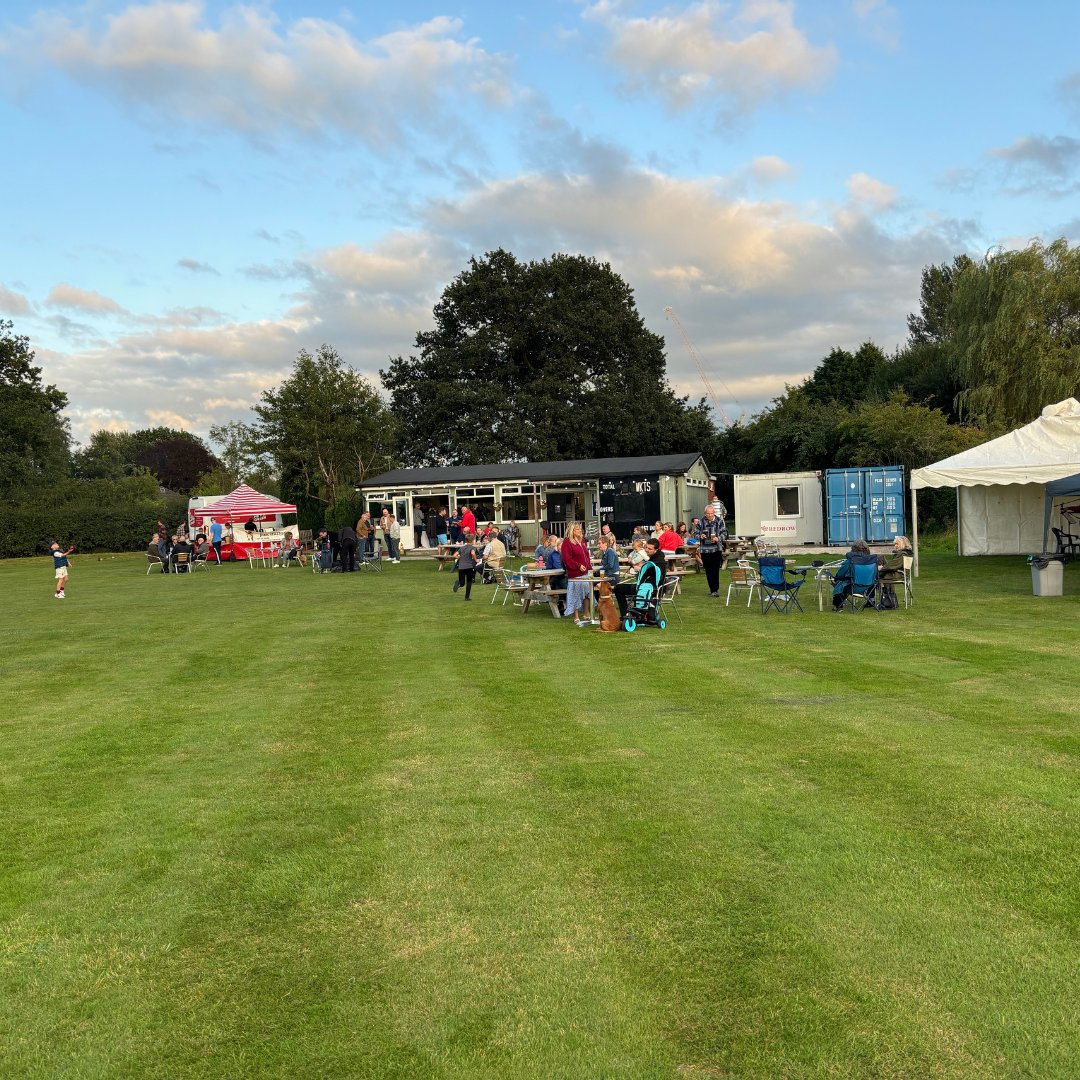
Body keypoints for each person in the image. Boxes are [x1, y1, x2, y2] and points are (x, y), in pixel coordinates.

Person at [614, 538, 665, 619]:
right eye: (646, 547)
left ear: (656, 550)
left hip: (650, 589)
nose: (646, 550)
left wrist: (640, 568)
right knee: (618, 588)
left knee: (618, 588)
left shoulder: (659, 562)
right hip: (643, 586)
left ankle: (625, 615)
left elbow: (656, 578)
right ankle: (627, 615)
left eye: (649, 549)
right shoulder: (651, 558)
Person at [561, 523, 594, 626]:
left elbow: (587, 557)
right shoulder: (567, 542)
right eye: (577, 529)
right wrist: (578, 566)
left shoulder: (583, 541)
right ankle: (576, 616)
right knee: (575, 594)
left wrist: (590, 570)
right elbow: (567, 559)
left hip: (585, 573)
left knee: (587, 593)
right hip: (575, 574)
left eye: (580, 529)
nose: (580, 530)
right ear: (572, 531)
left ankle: (586, 613)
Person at [832, 539, 877, 610]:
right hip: (869, 585)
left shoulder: (850, 561)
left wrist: (835, 578)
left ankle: (838, 604)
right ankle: (871, 600)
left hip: (853, 587)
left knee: (839, 582)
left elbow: (840, 574)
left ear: (853, 548)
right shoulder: (871, 560)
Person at [695, 504, 728, 597]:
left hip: (716, 549)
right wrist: (700, 536)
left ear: (714, 513)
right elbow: (695, 533)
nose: (710, 515)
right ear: (705, 513)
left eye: (711, 513)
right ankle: (711, 588)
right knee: (708, 570)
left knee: (715, 570)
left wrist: (718, 538)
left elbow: (725, 533)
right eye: (708, 514)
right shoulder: (701, 522)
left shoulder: (719, 521)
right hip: (705, 550)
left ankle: (715, 590)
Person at [877, 535, 913, 607]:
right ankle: (888, 598)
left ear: (903, 544)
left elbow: (894, 565)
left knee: (878, 576)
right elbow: (893, 565)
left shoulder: (903, 554)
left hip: (899, 574)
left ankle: (887, 600)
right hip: (898, 572)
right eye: (895, 544)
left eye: (897, 544)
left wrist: (881, 568)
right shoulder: (905, 553)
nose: (895, 546)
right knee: (880, 557)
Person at [453, 531, 479, 600]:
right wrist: (476, 560)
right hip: (469, 567)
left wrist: (458, 557)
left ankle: (458, 583)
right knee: (469, 582)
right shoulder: (472, 548)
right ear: (473, 541)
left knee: (462, 583)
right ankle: (467, 597)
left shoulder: (461, 548)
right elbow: (473, 553)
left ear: (466, 540)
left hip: (461, 567)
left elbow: (454, 555)